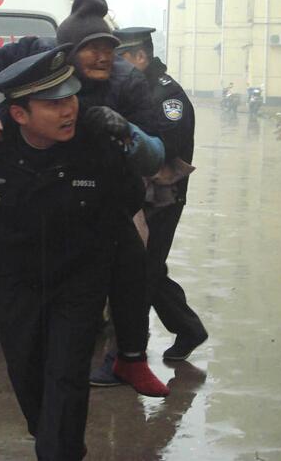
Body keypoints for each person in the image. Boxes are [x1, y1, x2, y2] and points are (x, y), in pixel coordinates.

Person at [0, 0, 169, 397]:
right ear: (66, 50)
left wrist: (126, 131)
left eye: (109, 48)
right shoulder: (34, 53)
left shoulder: (127, 82)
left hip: (93, 186)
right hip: (23, 175)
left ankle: (131, 357)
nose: (103, 57)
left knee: (129, 256)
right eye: (92, 49)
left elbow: (155, 154)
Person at [0, 45, 145, 460]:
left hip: (78, 280)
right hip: (18, 282)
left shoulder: (97, 140)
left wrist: (125, 141)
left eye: (71, 97)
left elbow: (127, 202)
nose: (68, 110)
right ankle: (57, 442)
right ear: (20, 114)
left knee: (66, 375)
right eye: (54, 104)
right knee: (27, 375)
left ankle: (59, 449)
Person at [91, 27, 207, 385]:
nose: (113, 66)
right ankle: (188, 328)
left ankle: (123, 358)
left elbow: (163, 149)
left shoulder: (167, 96)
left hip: (161, 199)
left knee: (137, 276)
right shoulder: (137, 89)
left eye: (120, 59)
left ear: (140, 57)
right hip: (136, 197)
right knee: (147, 269)